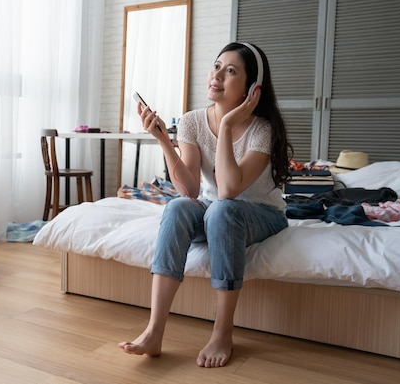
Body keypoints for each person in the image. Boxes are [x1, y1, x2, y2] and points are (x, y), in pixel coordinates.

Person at [118, 42, 293, 368]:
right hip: (214, 209)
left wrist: (226, 125)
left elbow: (228, 190)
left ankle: (222, 333)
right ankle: (155, 330)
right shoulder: (192, 121)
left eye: (231, 71)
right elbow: (190, 189)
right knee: (177, 208)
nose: (217, 76)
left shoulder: (262, 129)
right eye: (216, 66)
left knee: (223, 209)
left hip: (262, 214)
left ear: (252, 88)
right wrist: (163, 141)